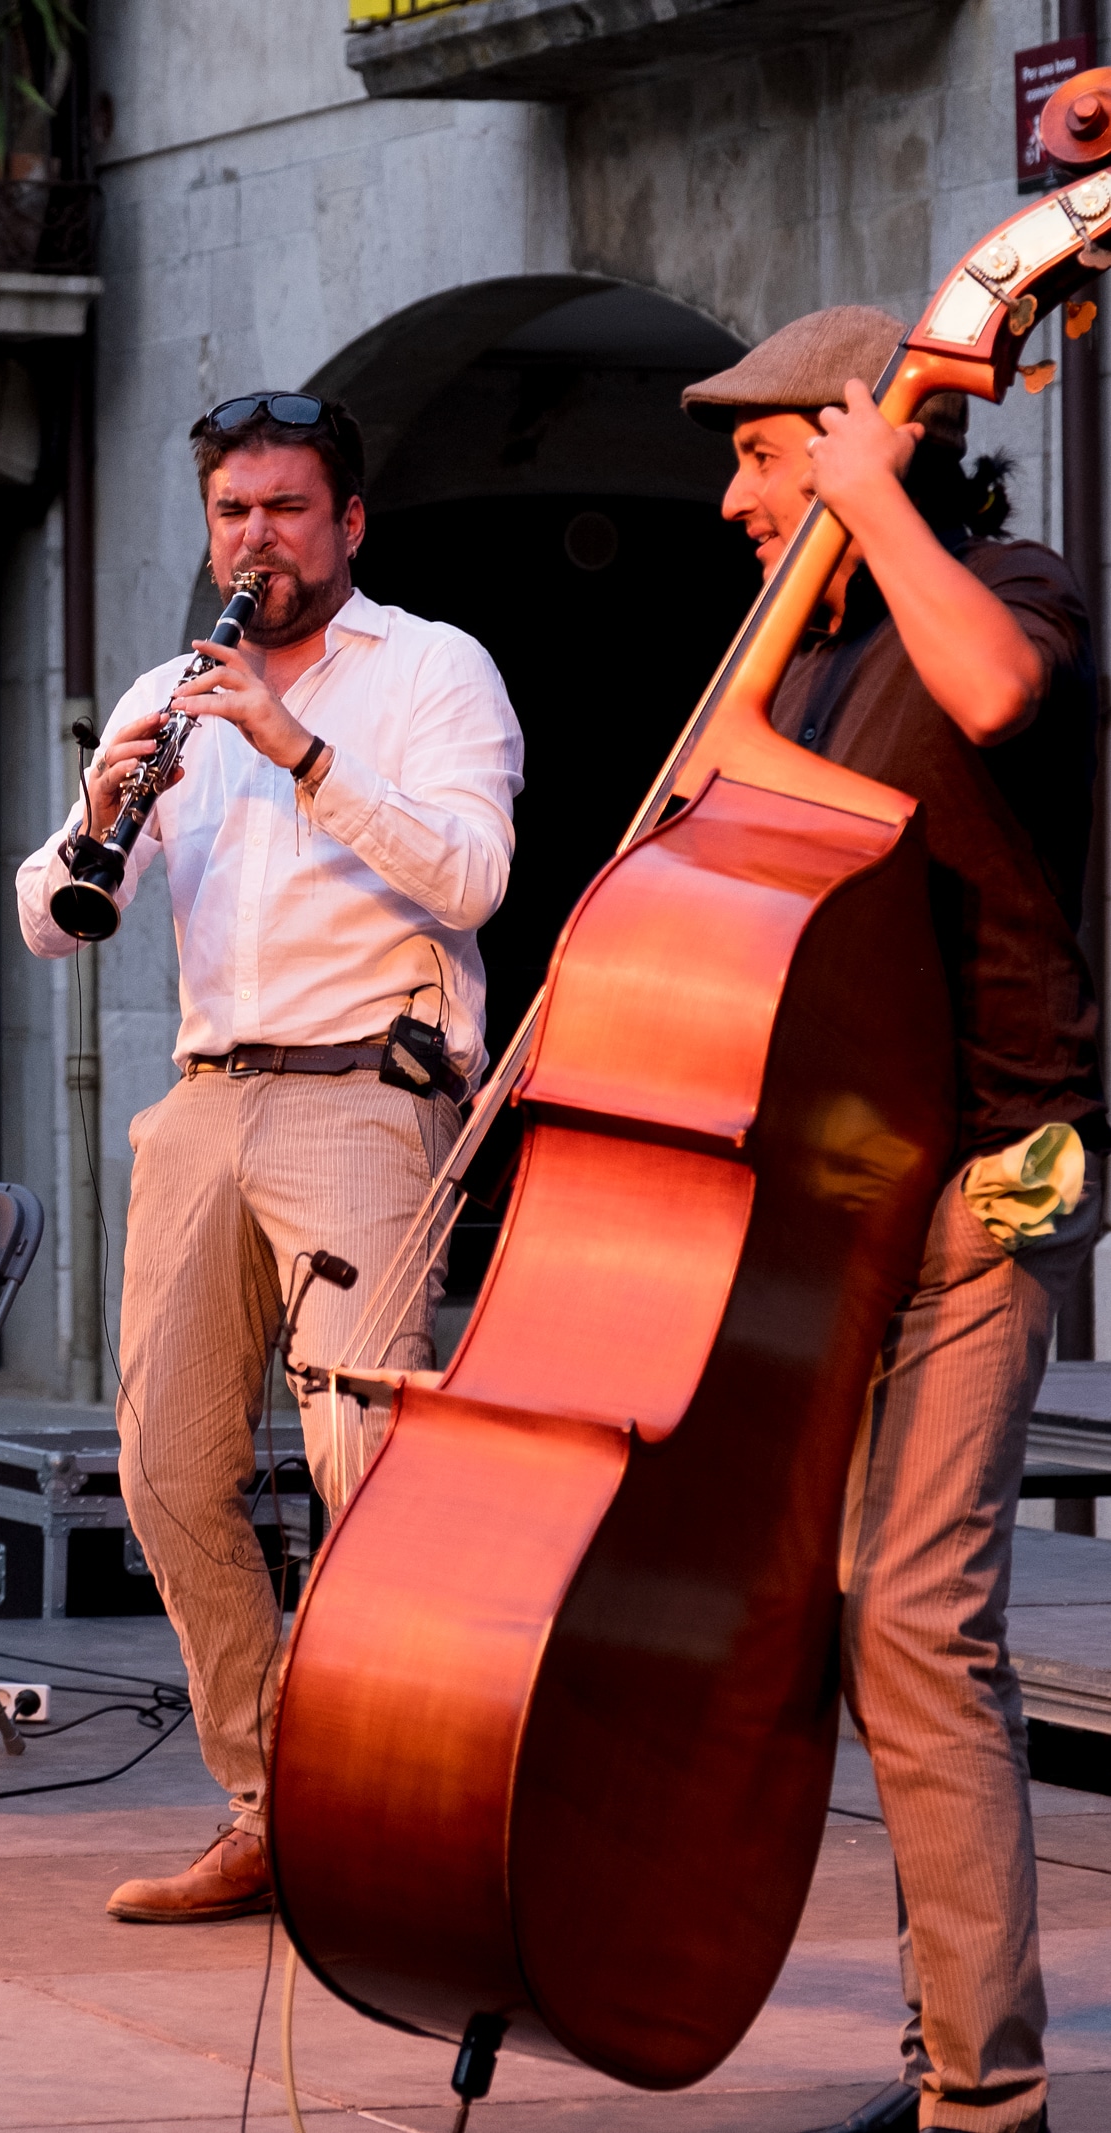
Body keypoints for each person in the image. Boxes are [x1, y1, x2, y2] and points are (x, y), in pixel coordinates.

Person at [16, 392, 524, 1922]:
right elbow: (48, 916)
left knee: (365, 1465)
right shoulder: (169, 686)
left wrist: (297, 748)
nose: (258, 539)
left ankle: (387, 1800)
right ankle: (266, 1802)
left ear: (347, 523)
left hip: (368, 1091)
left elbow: (474, 876)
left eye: (287, 511)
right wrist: (99, 813)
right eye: (234, 512)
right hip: (201, 1100)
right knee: (163, 1468)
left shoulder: (432, 669)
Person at [682, 307, 1106, 2133]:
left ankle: (986, 2104)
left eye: (760, 455)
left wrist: (869, 499)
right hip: (839, 1192)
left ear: (872, 439)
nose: (727, 498)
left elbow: (1001, 695)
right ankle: (947, 2043)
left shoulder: (1003, 586)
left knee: (920, 1624)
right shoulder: (833, 652)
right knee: (852, 1617)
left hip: (991, 1171)